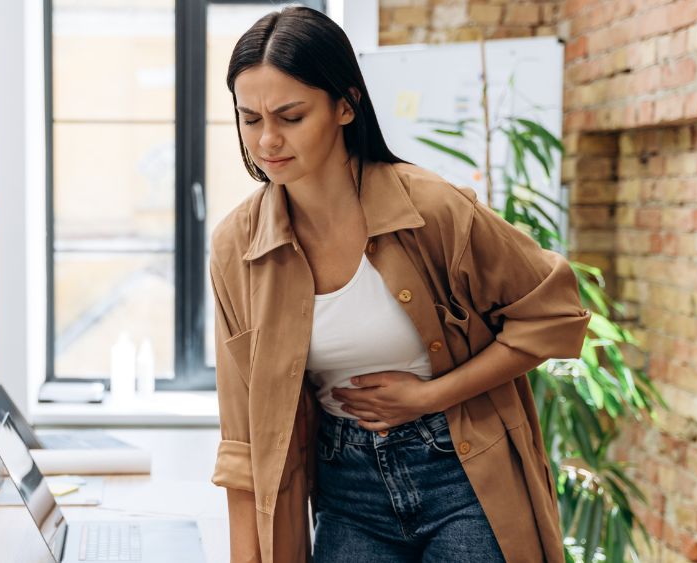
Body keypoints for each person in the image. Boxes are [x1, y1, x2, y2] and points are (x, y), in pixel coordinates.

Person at [208, 6, 591, 563]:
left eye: (291, 116)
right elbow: (243, 445)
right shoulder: (236, 247)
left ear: (345, 105)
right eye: (250, 118)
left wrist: (429, 396)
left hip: (462, 475)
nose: (267, 140)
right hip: (346, 489)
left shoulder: (432, 209)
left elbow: (555, 313)